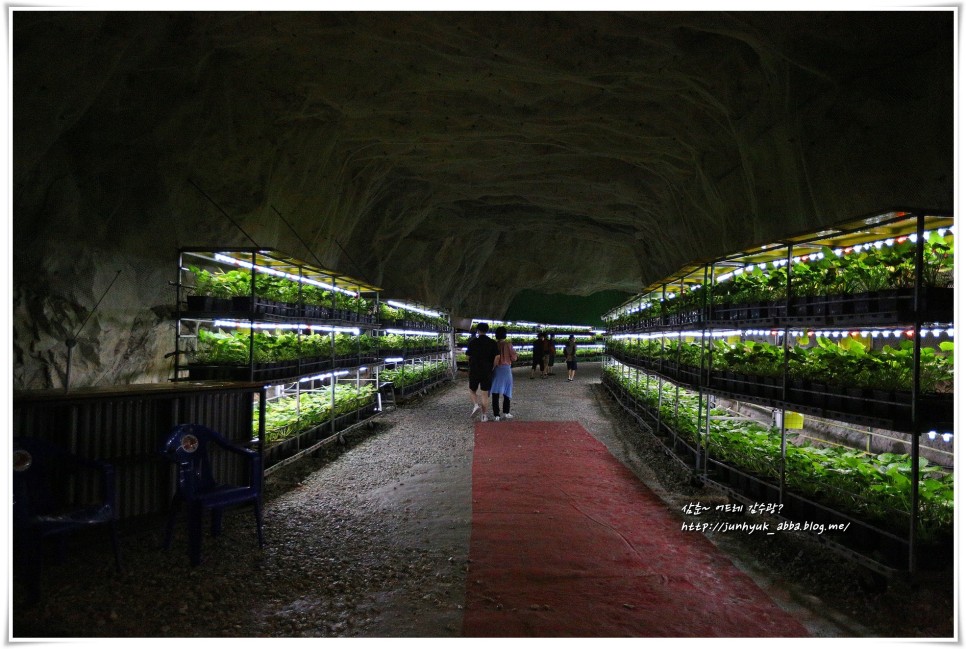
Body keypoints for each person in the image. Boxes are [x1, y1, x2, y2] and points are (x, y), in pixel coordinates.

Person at [466, 322, 499, 421]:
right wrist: (493, 366)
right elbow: (497, 357)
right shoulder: (492, 342)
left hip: (474, 369)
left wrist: (471, 363)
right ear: (487, 330)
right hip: (487, 370)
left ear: (478, 330)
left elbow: (467, 356)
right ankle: (484, 416)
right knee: (484, 394)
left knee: (472, 390)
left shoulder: (472, 342)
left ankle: (476, 405)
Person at [490, 326, 518, 421]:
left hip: (496, 369)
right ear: (505, 335)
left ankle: (496, 414)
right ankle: (506, 412)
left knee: (495, 392)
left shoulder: (493, 344)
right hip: (506, 370)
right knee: (507, 391)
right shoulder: (508, 344)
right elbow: (514, 358)